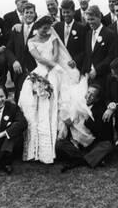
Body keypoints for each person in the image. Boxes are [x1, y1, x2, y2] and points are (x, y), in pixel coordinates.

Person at [19, 16, 93, 164]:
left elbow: (56, 54)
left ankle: (59, 142)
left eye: (48, 28)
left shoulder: (52, 36)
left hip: (55, 69)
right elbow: (39, 58)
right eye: (43, 28)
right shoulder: (31, 41)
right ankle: (38, 147)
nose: (46, 31)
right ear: (37, 27)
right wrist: (48, 68)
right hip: (41, 70)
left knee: (57, 100)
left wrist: (54, 66)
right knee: (33, 103)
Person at [55, 84, 114, 171]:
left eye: (92, 95)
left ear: (97, 99)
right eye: (88, 93)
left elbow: (102, 133)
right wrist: (69, 123)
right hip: (77, 143)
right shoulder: (77, 105)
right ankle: (89, 159)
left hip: (92, 142)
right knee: (59, 145)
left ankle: (80, 160)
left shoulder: (100, 110)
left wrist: (86, 120)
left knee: (107, 146)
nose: (88, 96)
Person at [5, 2, 37, 102]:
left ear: (35, 14)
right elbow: (8, 49)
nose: (29, 15)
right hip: (20, 71)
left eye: (31, 12)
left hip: (35, 69)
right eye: (27, 12)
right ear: (22, 14)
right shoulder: (16, 30)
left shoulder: (39, 30)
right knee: (19, 99)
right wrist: (14, 61)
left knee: (34, 98)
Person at [82, 5, 117, 88]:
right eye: (88, 20)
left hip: (104, 77)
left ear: (99, 17)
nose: (90, 22)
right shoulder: (88, 34)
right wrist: (84, 73)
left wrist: (97, 70)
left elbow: (111, 56)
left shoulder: (110, 34)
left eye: (92, 19)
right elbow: (87, 55)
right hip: (90, 77)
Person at [53, 0, 88, 69]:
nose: (66, 15)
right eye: (64, 12)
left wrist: (75, 61)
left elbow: (84, 50)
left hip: (75, 66)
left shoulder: (81, 28)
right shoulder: (57, 26)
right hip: (60, 66)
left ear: (73, 12)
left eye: (68, 12)